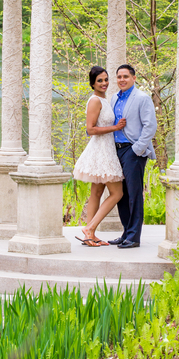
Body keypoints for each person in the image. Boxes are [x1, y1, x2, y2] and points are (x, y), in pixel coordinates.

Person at [73, 66, 126, 247]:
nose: (104, 83)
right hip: (101, 150)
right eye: (100, 81)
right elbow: (90, 129)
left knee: (96, 192)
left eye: (106, 79)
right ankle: (90, 228)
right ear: (93, 83)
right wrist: (115, 128)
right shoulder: (95, 101)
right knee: (117, 192)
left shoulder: (105, 99)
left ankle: (90, 235)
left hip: (106, 147)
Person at [108, 64, 157, 249]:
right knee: (121, 194)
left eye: (125, 76)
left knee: (134, 194)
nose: (122, 79)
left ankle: (134, 237)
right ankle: (126, 232)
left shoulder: (142, 99)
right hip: (116, 150)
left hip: (133, 150)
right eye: (119, 76)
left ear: (134, 78)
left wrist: (137, 149)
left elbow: (150, 126)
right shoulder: (114, 98)